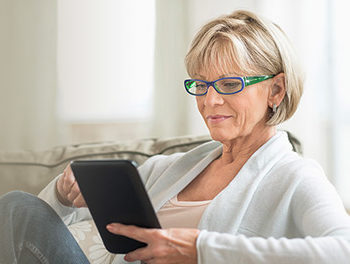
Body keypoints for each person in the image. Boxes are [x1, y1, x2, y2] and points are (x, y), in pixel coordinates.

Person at [1, 9, 350, 264]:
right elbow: (34, 242)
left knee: (17, 207)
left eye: (230, 84)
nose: (210, 100)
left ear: (276, 90)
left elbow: (343, 251)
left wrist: (201, 250)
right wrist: (63, 195)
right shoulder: (167, 169)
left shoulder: (294, 176)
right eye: (201, 84)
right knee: (18, 209)